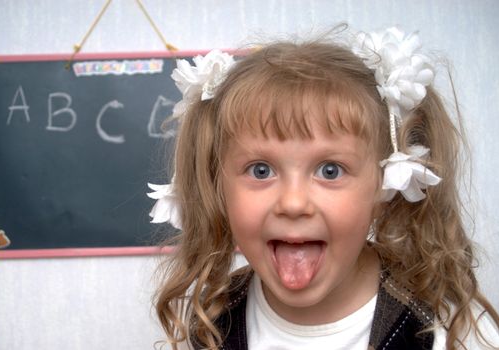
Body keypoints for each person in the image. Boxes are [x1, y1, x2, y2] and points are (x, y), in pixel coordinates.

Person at [149, 26, 499, 349]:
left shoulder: (450, 333)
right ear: (217, 186)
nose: (293, 203)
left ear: (387, 184)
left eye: (330, 171)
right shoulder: (209, 327)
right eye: (260, 170)